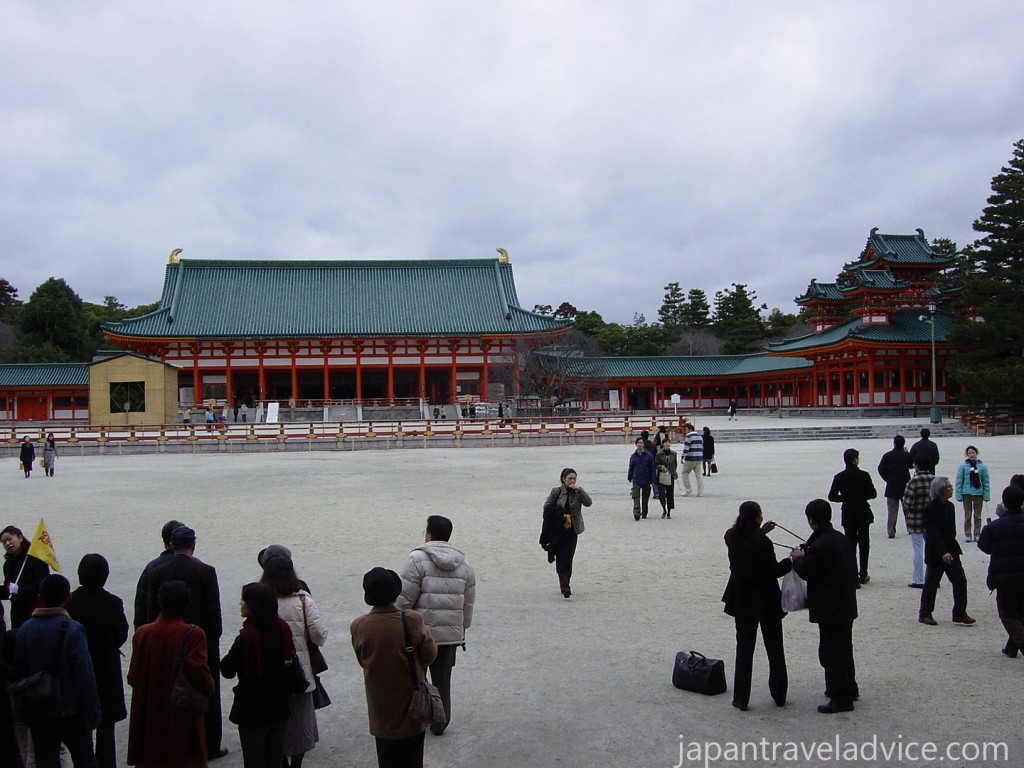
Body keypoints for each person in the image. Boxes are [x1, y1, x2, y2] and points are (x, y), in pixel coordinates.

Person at [146, 526, 226, 760]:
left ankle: (167, 745)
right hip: (201, 641)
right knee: (207, 695)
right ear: (193, 545)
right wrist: (211, 644)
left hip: (166, 641)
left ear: (171, 545)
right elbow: (214, 614)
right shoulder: (206, 571)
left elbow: (152, 613)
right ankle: (210, 744)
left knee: (167, 693)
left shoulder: (157, 573)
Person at [396, 515, 476, 736]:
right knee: (443, 682)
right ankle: (440, 723)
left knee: (415, 678)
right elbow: (468, 602)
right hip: (449, 634)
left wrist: (398, 620)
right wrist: (462, 629)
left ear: (429, 534)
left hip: (420, 634)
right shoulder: (464, 564)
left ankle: (416, 721)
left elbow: (405, 597)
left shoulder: (416, 559)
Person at [350, 568, 437, 768]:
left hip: (380, 705)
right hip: (410, 701)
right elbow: (430, 655)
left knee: (386, 758)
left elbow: (362, 660)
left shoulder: (359, 626)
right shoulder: (411, 620)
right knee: (413, 758)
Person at [12, 574, 101, 768]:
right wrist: (93, 710)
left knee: (45, 760)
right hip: (71, 710)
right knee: (85, 760)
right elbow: (84, 674)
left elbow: (19, 671)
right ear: (68, 598)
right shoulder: (72, 629)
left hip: (39, 711)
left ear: (40, 597)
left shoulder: (25, 629)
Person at [128, 580, 215, 768]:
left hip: (149, 708)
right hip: (181, 710)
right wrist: (210, 686)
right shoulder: (194, 634)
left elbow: (133, 676)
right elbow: (199, 673)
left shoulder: (142, 633)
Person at [721, 501, 792, 711]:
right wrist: (791, 560)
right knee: (775, 649)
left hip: (742, 598)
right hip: (765, 598)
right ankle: (779, 694)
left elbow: (747, 545)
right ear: (758, 517)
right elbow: (774, 571)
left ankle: (741, 698)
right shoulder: (762, 544)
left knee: (744, 650)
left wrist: (761, 533)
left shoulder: (731, 536)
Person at [790, 499, 859, 714]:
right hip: (845, 602)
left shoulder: (822, 545)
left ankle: (841, 697)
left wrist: (797, 559)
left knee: (831, 651)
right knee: (844, 648)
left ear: (811, 520)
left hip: (831, 606)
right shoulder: (839, 538)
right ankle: (848, 687)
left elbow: (807, 571)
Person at [261, 556, 327, 767]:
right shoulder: (303, 600)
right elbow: (318, 635)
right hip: (299, 672)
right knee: (299, 724)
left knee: (275, 721)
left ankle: (280, 761)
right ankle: (296, 764)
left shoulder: (261, 602)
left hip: (269, 673)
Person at [221, 583, 295, 768]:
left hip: (253, 711)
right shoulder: (283, 629)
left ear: (253, 606)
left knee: (254, 761)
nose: (240, 604)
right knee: (275, 760)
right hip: (279, 707)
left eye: (244, 600)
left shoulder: (246, 638)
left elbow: (227, 670)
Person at [66, 555, 128, 768]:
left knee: (79, 724)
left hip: (76, 667)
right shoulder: (112, 602)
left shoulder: (70, 602)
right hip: (105, 667)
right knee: (106, 727)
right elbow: (121, 635)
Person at [919, 476, 975, 627]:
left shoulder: (949, 506)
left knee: (960, 581)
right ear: (940, 490)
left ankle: (959, 612)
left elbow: (951, 531)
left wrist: (952, 549)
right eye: (948, 487)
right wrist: (943, 552)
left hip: (951, 549)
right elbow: (932, 532)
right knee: (931, 583)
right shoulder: (930, 508)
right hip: (936, 552)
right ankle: (925, 613)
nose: (951, 489)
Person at [977, 485, 1024, 659]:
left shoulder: (995, 527)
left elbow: (984, 547)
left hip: (1004, 575)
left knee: (1007, 613)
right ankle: (1011, 648)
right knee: (1020, 612)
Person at [827, 448, 878, 585]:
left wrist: (845, 497)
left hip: (848, 512)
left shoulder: (839, 477)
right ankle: (863, 573)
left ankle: (852, 574)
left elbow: (832, 496)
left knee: (850, 545)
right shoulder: (864, 475)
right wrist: (860, 496)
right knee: (864, 543)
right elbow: (873, 494)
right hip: (862, 511)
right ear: (855, 459)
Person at [542, 468, 593, 598]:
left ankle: (566, 582)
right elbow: (547, 507)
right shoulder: (557, 492)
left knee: (569, 557)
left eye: (574, 478)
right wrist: (560, 514)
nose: (572, 481)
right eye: (569, 478)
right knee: (561, 556)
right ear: (563, 479)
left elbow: (588, 503)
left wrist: (579, 490)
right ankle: (565, 586)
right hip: (558, 530)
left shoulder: (578, 492)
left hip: (573, 529)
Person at [133, 519, 186, 630]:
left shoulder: (151, 568)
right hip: (190, 635)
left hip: (157, 631)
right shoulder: (201, 568)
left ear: (165, 543)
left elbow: (141, 608)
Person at [2, 525, 51, 628]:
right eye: (4, 542)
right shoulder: (8, 565)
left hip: (35, 612)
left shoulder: (36, 559)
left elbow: (41, 587)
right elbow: (8, 591)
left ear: (20, 537)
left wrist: (20, 590)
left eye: (9, 539)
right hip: (17, 613)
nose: (7, 544)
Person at [901, 463, 934, 588]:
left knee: (918, 549)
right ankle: (933, 577)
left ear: (917, 467)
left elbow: (906, 503)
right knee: (933, 549)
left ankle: (918, 579)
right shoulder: (935, 480)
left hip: (916, 519)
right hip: (932, 520)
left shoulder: (913, 482)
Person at [877, 435, 913, 538]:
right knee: (908, 508)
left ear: (894, 443)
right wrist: (908, 452)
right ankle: (910, 528)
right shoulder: (906, 455)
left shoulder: (887, 455)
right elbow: (912, 465)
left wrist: (887, 479)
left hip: (892, 484)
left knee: (892, 511)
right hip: (905, 484)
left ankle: (891, 531)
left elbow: (880, 469)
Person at [954, 445, 991, 542]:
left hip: (978, 492)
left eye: (973, 453)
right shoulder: (963, 466)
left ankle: (977, 533)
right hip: (966, 492)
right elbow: (959, 480)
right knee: (968, 514)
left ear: (976, 453)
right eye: (969, 453)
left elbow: (986, 481)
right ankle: (967, 533)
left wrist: (986, 494)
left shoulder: (982, 466)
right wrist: (958, 494)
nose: (971, 455)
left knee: (977, 515)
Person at [627, 438, 656, 520]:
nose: (640, 444)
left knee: (645, 498)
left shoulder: (649, 456)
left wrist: (653, 479)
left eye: (641, 443)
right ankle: (636, 513)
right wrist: (629, 476)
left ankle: (644, 512)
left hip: (646, 478)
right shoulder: (633, 456)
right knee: (636, 497)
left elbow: (652, 468)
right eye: (638, 443)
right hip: (636, 478)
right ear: (636, 444)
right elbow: (631, 467)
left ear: (644, 444)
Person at [654, 438, 678, 519]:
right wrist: (661, 467)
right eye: (665, 443)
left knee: (670, 494)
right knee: (662, 494)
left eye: (668, 442)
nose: (667, 444)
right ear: (662, 444)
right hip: (662, 475)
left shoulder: (674, 454)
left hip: (670, 476)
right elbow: (656, 464)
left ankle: (669, 511)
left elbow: (675, 464)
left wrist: (674, 473)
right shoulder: (659, 454)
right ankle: (664, 509)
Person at [680, 426, 704, 497]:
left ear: (690, 429)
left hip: (690, 458)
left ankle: (688, 491)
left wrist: (682, 457)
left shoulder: (689, 436)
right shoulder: (700, 436)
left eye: (686, 429)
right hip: (699, 457)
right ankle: (700, 492)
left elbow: (686, 448)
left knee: (684, 473)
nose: (686, 431)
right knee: (699, 476)